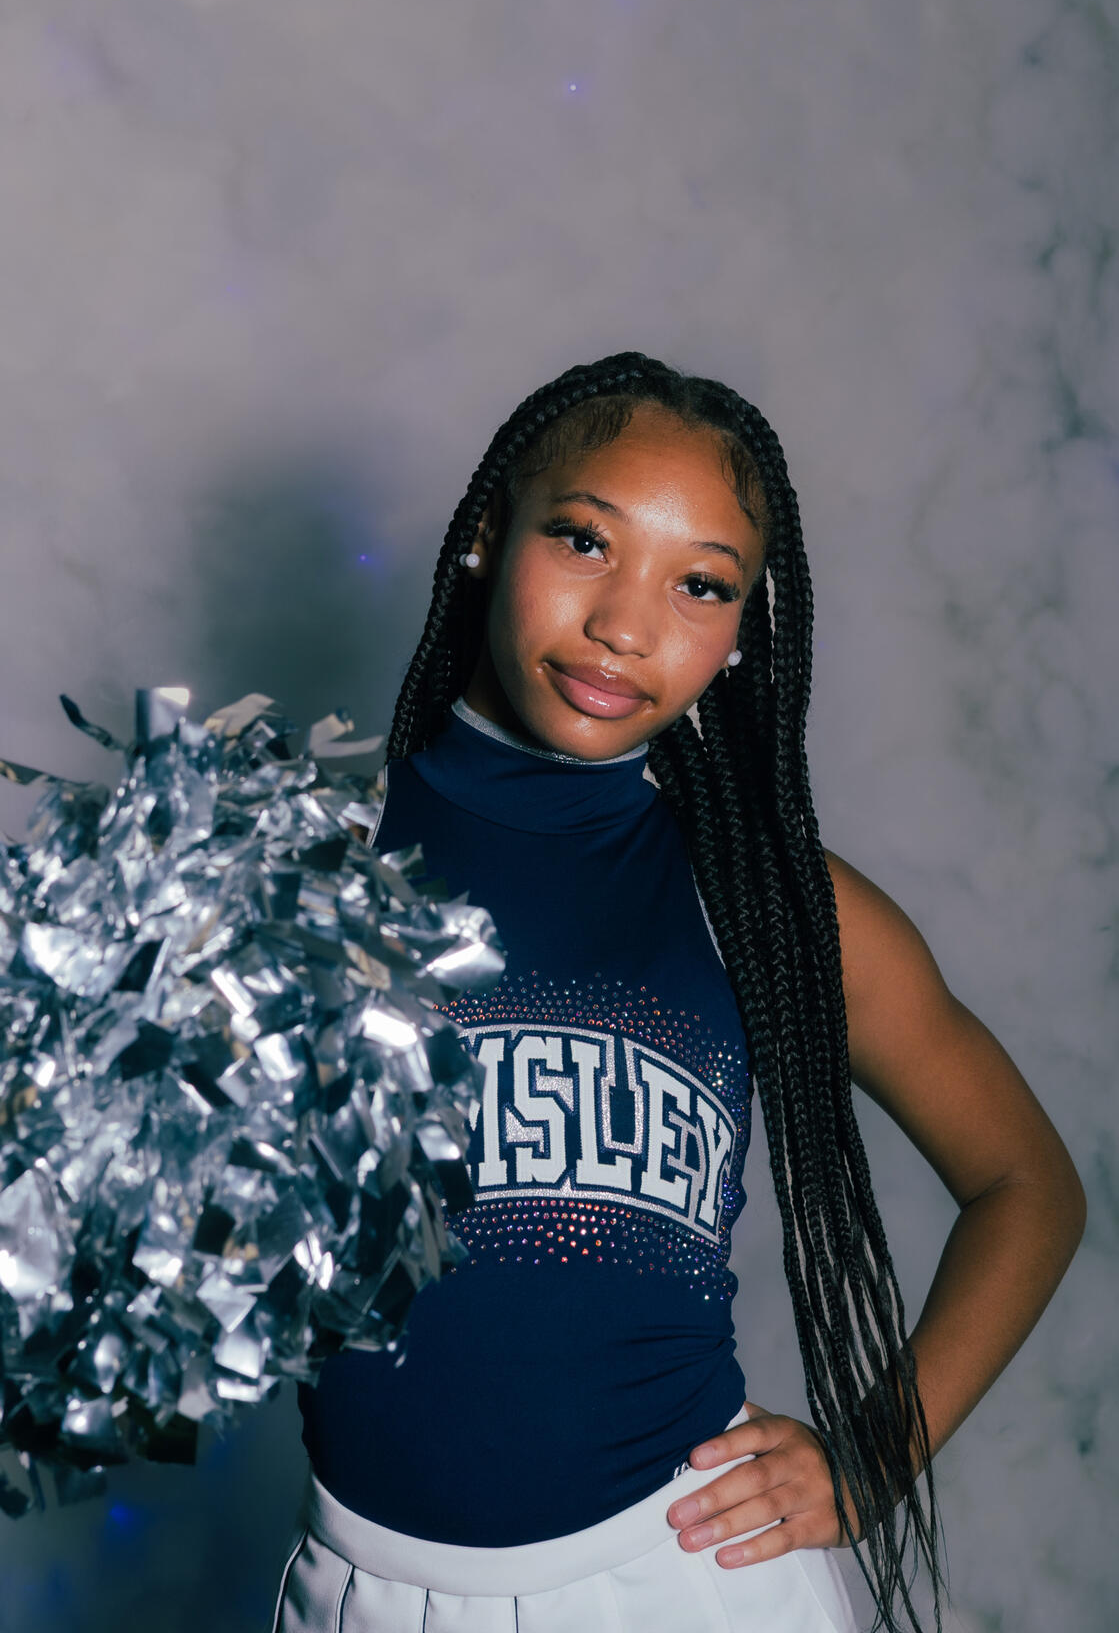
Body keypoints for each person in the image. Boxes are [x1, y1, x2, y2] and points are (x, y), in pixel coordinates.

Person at [272, 351, 1086, 1633]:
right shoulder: (295, 857)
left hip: (677, 1584)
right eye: (585, 542)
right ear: (487, 533)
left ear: (744, 626)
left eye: (700, 584)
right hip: (354, 1586)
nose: (627, 626)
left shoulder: (765, 898)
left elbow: (1030, 1186)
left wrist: (871, 1461)